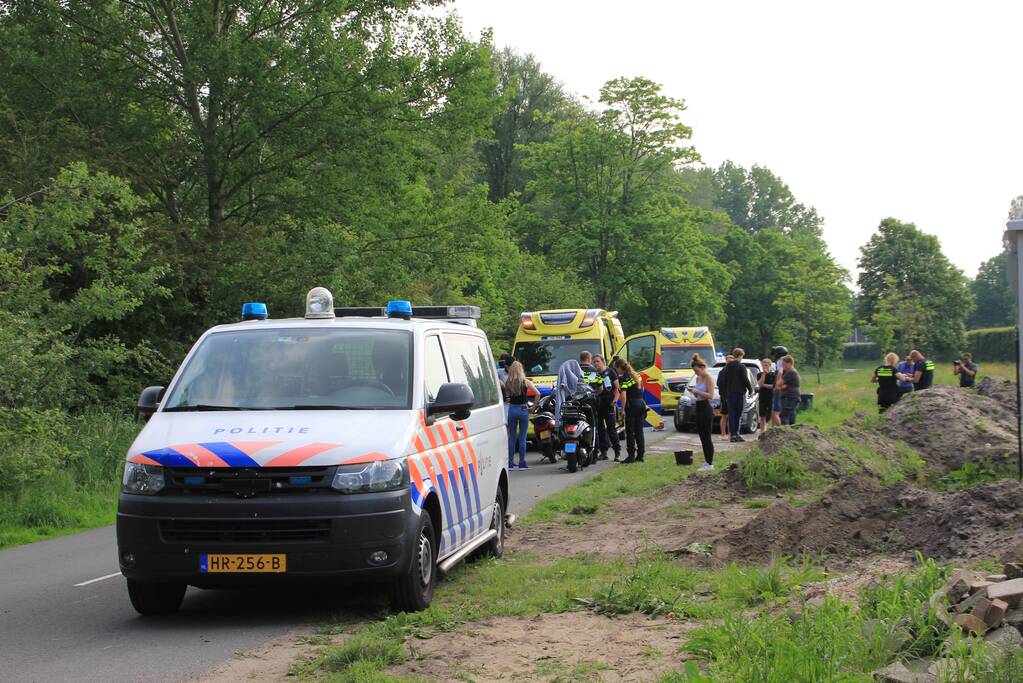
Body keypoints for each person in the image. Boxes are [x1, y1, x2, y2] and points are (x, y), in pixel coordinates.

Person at [612, 357, 646, 464]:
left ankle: (631, 456)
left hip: (631, 405)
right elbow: (642, 390)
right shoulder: (637, 376)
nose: (616, 371)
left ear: (619, 368)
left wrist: (623, 409)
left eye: (616, 369)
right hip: (641, 403)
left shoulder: (624, 379)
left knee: (630, 432)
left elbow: (624, 395)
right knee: (639, 431)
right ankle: (640, 455)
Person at [718, 348, 754, 443]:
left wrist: (724, 395)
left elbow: (723, 382)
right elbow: (745, 379)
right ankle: (736, 434)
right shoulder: (741, 366)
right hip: (739, 393)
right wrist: (750, 390)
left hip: (729, 394)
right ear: (740, 356)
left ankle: (732, 435)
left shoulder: (726, 368)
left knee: (731, 415)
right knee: (738, 415)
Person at [504, 361, 536, 470]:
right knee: (522, 438)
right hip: (523, 409)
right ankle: (522, 463)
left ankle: (510, 463)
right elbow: (538, 393)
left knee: (512, 438)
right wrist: (533, 407)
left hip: (512, 409)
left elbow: (507, 397)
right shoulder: (525, 382)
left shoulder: (508, 382)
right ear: (521, 369)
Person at [688, 354, 716, 471]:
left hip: (706, 407)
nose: (696, 373)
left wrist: (697, 391)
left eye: (697, 370)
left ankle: (710, 463)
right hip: (698, 406)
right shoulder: (698, 378)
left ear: (702, 367)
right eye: (694, 371)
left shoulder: (708, 378)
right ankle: (706, 461)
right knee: (702, 436)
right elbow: (698, 393)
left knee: (707, 436)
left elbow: (710, 395)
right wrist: (694, 392)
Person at [593, 354, 622, 461]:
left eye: (597, 361)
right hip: (598, 404)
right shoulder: (595, 374)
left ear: (603, 362)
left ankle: (617, 452)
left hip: (609, 403)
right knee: (600, 429)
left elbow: (617, 388)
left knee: (611, 429)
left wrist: (614, 400)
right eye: (594, 362)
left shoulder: (610, 372)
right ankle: (603, 452)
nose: (595, 364)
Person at [775, 355, 801, 425]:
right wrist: (782, 386)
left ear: (789, 363)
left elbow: (778, 384)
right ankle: (792, 432)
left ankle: (786, 433)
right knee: (791, 416)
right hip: (793, 397)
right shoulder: (793, 372)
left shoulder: (790, 372)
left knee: (784, 416)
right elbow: (782, 385)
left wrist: (780, 374)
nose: (783, 366)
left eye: (783, 364)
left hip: (789, 397)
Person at [770, 346, 789, 426]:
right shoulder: (788, 361)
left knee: (775, 410)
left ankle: (776, 429)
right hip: (786, 388)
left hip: (779, 388)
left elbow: (780, 372)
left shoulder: (780, 361)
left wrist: (776, 385)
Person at [757, 358, 775, 432]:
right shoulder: (759, 374)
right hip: (762, 397)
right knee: (762, 416)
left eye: (766, 365)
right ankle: (762, 432)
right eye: (763, 365)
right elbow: (760, 384)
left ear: (770, 366)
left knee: (772, 415)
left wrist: (763, 385)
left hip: (771, 397)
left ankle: (771, 430)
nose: (765, 367)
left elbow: (772, 386)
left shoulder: (773, 375)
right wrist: (764, 374)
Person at [719, 353, 735, 439]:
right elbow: (719, 384)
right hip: (724, 397)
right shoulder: (722, 371)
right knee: (724, 415)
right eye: (728, 362)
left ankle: (730, 433)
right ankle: (723, 434)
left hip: (733, 396)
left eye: (731, 362)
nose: (729, 363)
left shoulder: (734, 372)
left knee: (731, 416)